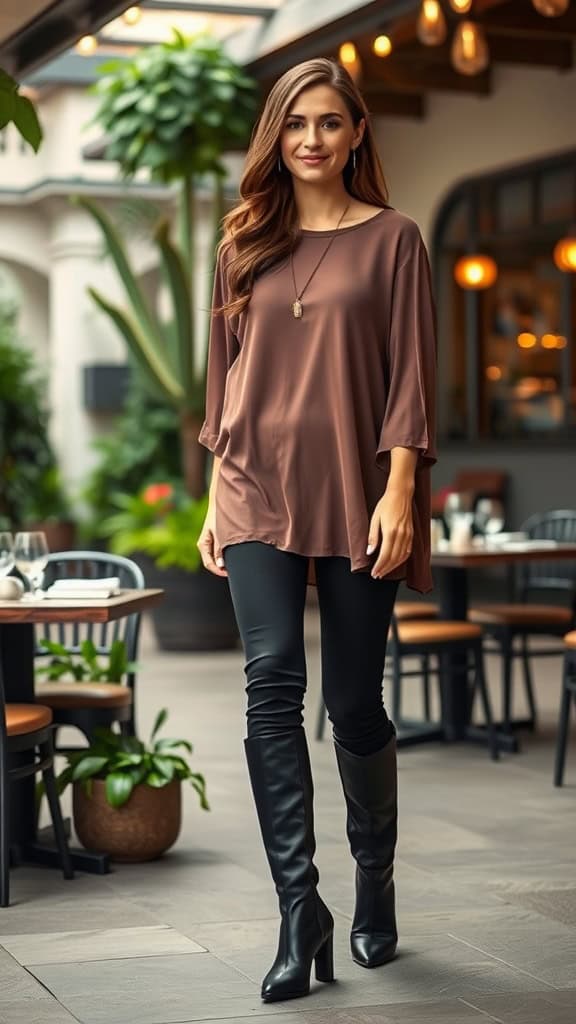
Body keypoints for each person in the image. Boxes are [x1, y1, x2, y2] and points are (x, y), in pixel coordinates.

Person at [197, 57, 437, 1004]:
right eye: (296, 123)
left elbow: (413, 375)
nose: (311, 139)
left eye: (331, 123)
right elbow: (225, 378)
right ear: (276, 134)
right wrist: (218, 490)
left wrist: (402, 489)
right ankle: (301, 910)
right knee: (269, 688)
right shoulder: (242, 243)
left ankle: (372, 876)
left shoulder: (396, 240)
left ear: (356, 134)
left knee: (353, 704)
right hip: (255, 486)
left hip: (354, 489)